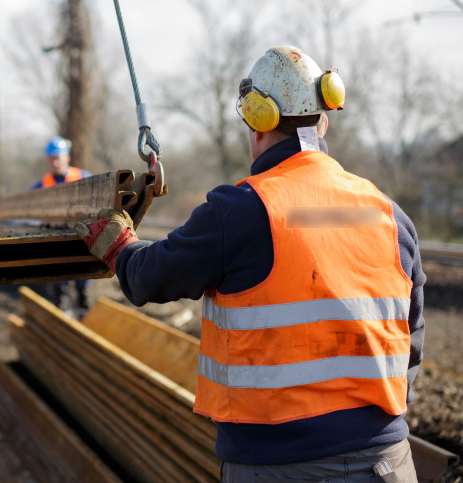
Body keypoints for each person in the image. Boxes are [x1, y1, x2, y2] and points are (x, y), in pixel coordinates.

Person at [75, 46, 424, 482]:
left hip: (279, 468)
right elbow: (410, 340)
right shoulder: (392, 217)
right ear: (324, 121)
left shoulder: (241, 211)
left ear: (257, 125)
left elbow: (149, 278)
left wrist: (119, 245)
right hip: (387, 463)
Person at [33, 136, 93, 317]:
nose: (55, 162)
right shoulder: (41, 185)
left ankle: (84, 312)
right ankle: (62, 312)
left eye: (58, 157)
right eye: (51, 158)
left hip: (82, 239)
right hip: (56, 241)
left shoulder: (84, 178)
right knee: (59, 282)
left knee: (84, 282)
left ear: (67, 157)